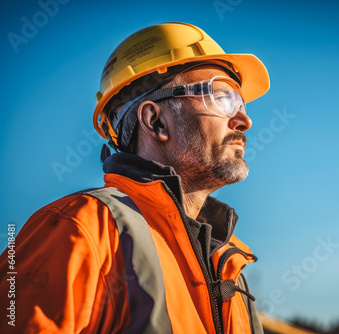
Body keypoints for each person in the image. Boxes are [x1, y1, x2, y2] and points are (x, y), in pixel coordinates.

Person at [0, 22, 270, 333]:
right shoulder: (76, 229)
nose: (244, 120)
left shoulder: (229, 264)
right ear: (155, 121)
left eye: (240, 101)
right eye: (220, 97)